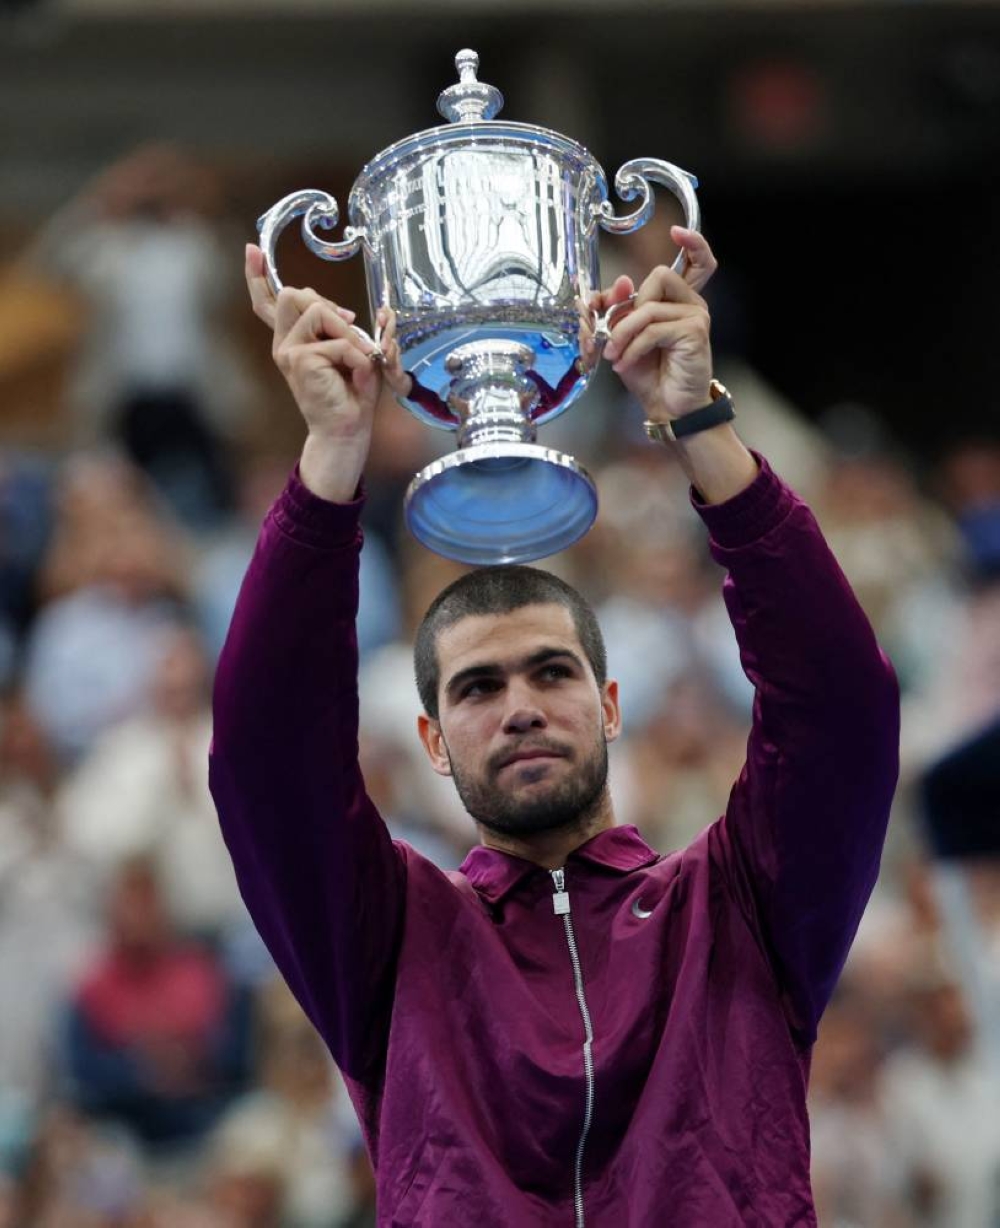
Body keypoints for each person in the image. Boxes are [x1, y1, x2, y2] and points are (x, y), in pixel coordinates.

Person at [209, 229, 900, 1226]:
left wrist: (701, 426)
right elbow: (267, 756)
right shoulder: (387, 939)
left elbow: (840, 709)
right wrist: (331, 459)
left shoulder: (740, 904)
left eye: (551, 671)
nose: (521, 704)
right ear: (433, 741)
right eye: (477, 688)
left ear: (610, 705)